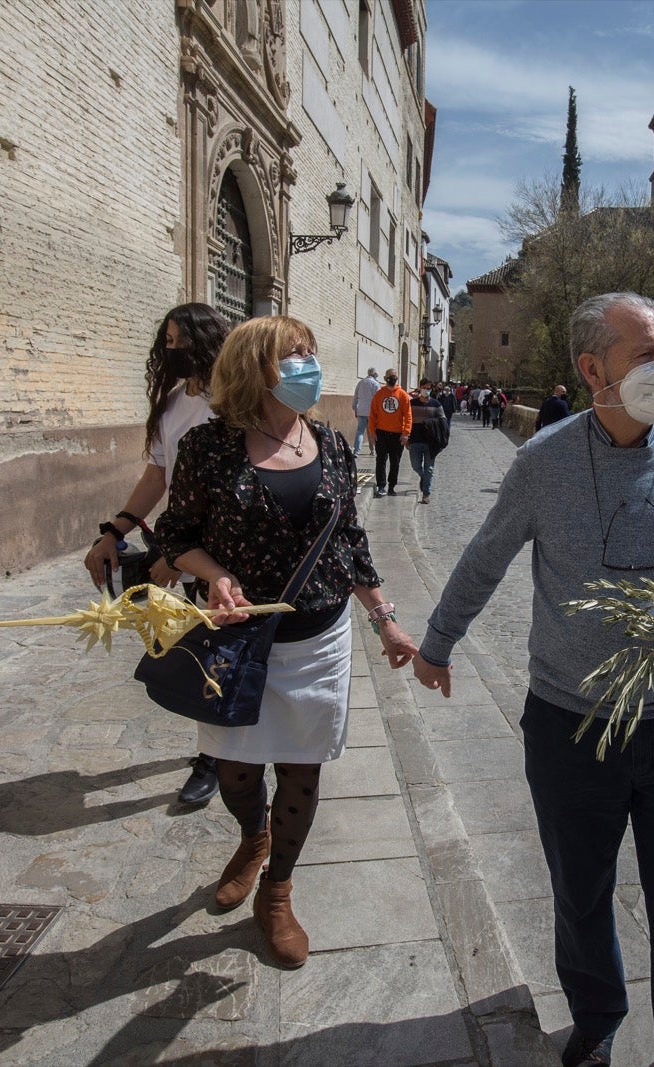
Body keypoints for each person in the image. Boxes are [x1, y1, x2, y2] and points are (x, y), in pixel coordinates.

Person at [412, 292, 654, 1067]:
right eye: (645, 353)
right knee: (580, 893)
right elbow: (483, 560)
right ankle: (597, 1017)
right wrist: (437, 646)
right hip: (571, 727)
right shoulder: (544, 463)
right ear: (592, 368)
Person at [154, 316, 419, 969]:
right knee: (238, 770)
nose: (309, 366)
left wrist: (384, 616)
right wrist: (214, 575)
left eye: (310, 354)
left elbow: (350, 540)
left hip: (318, 639)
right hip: (240, 643)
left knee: (302, 768)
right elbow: (174, 538)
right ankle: (253, 835)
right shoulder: (207, 448)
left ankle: (277, 891)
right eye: (294, 356)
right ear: (255, 369)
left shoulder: (329, 442)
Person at [84, 302, 231, 808]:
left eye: (178, 341)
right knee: (200, 657)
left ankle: (227, 758)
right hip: (185, 547)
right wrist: (114, 530)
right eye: (166, 341)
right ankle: (213, 755)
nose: (170, 350)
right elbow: (156, 476)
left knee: (223, 653)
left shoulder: (231, 401)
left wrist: (181, 556)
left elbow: (234, 489)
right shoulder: (172, 402)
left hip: (226, 551)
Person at [369, 368, 411, 497]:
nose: (392, 378)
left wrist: (405, 433)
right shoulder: (379, 394)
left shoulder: (403, 395)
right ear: (385, 378)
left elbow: (408, 416)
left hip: (397, 434)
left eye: (394, 376)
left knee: (395, 461)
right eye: (389, 376)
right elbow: (372, 415)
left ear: (397, 378)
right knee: (380, 460)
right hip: (381, 433)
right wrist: (372, 432)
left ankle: (392, 486)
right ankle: (381, 485)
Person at [408, 381, 449, 504]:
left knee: (429, 468)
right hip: (415, 440)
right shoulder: (412, 404)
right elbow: (406, 420)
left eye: (428, 388)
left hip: (431, 442)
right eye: (424, 388)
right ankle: (423, 477)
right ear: (420, 388)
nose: (426, 390)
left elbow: (443, 422)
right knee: (415, 465)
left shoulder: (436, 404)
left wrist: (431, 424)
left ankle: (426, 493)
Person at [352, 367, 381, 456]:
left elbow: (356, 396)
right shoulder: (376, 384)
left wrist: (355, 408)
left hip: (361, 410)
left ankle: (356, 451)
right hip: (372, 412)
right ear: (374, 374)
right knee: (372, 431)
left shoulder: (361, 382)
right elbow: (378, 398)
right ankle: (373, 450)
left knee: (360, 431)